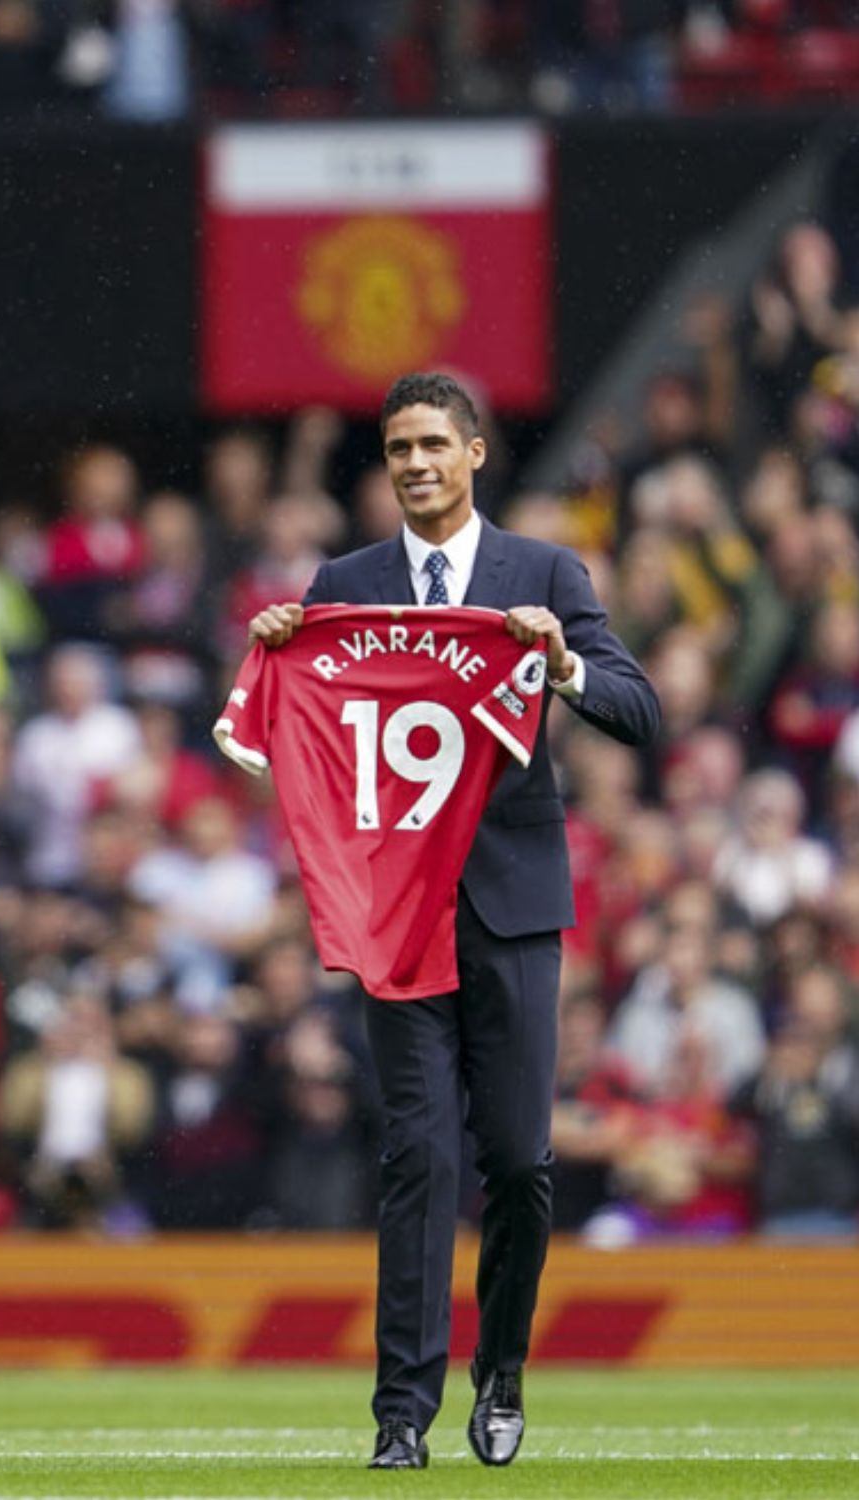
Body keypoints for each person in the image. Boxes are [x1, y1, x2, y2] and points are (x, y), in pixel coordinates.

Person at [248, 372, 660, 1470]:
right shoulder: (347, 580)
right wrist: (286, 640)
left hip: (512, 907)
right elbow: (306, 725)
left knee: (521, 1161)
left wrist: (561, 659)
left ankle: (505, 1370)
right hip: (400, 915)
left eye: (433, 443)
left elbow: (638, 710)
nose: (416, 463)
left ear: (474, 454)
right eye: (397, 449)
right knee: (417, 1156)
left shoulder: (543, 572)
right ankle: (398, 1416)